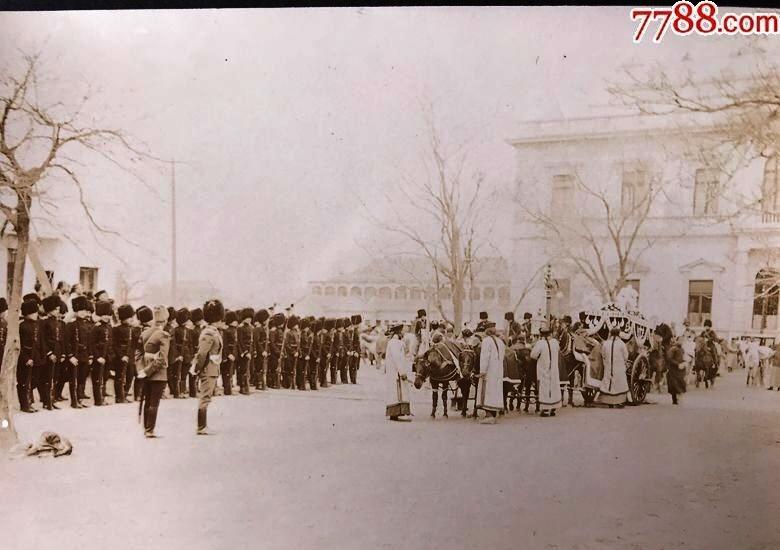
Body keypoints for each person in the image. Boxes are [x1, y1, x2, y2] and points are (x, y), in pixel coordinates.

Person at [189, 299, 224, 435]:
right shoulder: (209, 333)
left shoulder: (213, 331)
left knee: (206, 397)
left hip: (212, 368)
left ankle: (203, 425)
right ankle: (201, 426)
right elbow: (202, 353)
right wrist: (197, 368)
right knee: (205, 397)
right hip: (207, 368)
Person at [136, 306, 171, 438]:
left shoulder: (144, 333)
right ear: (165, 320)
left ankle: (146, 428)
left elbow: (138, 353)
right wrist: (148, 371)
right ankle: (150, 430)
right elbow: (162, 359)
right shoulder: (164, 335)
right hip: (158, 374)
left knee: (147, 401)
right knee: (154, 403)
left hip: (144, 372)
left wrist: (142, 370)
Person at [476, 321, 505, 424]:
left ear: (486, 331)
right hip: (498, 371)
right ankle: (494, 414)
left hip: (489, 370)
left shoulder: (486, 341)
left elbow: (485, 357)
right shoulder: (501, 342)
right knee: (496, 390)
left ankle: (489, 416)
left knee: (487, 390)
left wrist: (482, 371)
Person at [531, 322, 561, 417]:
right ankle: (553, 408)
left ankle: (545, 409)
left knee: (544, 387)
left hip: (544, 368)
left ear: (541, 335)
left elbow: (533, 355)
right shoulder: (555, 342)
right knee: (554, 386)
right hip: (554, 369)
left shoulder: (540, 343)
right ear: (550, 334)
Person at [18, 299, 42, 413]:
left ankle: (30, 402)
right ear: (28, 313)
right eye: (34, 312)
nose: (36, 314)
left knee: (34, 380)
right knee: (23, 381)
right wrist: (26, 359)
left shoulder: (37, 325)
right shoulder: (22, 326)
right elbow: (19, 345)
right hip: (25, 358)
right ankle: (25, 404)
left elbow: (39, 342)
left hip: (36, 357)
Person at [385, 324, 412, 421]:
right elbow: (397, 359)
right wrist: (402, 372)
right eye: (403, 331)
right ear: (399, 332)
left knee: (397, 393)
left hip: (395, 372)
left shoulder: (396, 342)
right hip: (396, 372)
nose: (404, 333)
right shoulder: (395, 343)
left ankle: (398, 413)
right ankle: (395, 414)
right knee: (397, 393)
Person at [598, 327, 629, 408]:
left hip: (608, 366)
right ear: (619, 334)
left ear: (610, 333)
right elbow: (626, 356)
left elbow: (603, 354)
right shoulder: (622, 344)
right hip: (619, 367)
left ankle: (608, 401)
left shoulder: (606, 343)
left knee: (608, 382)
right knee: (620, 382)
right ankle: (619, 401)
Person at [112, 304, 136, 404]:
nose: (131, 319)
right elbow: (115, 344)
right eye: (129, 317)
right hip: (120, 357)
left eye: (132, 317)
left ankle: (125, 394)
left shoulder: (132, 329)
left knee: (130, 375)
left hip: (130, 356)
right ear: (123, 318)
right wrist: (121, 356)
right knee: (119, 377)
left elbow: (133, 344)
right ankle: (119, 397)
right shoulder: (116, 329)